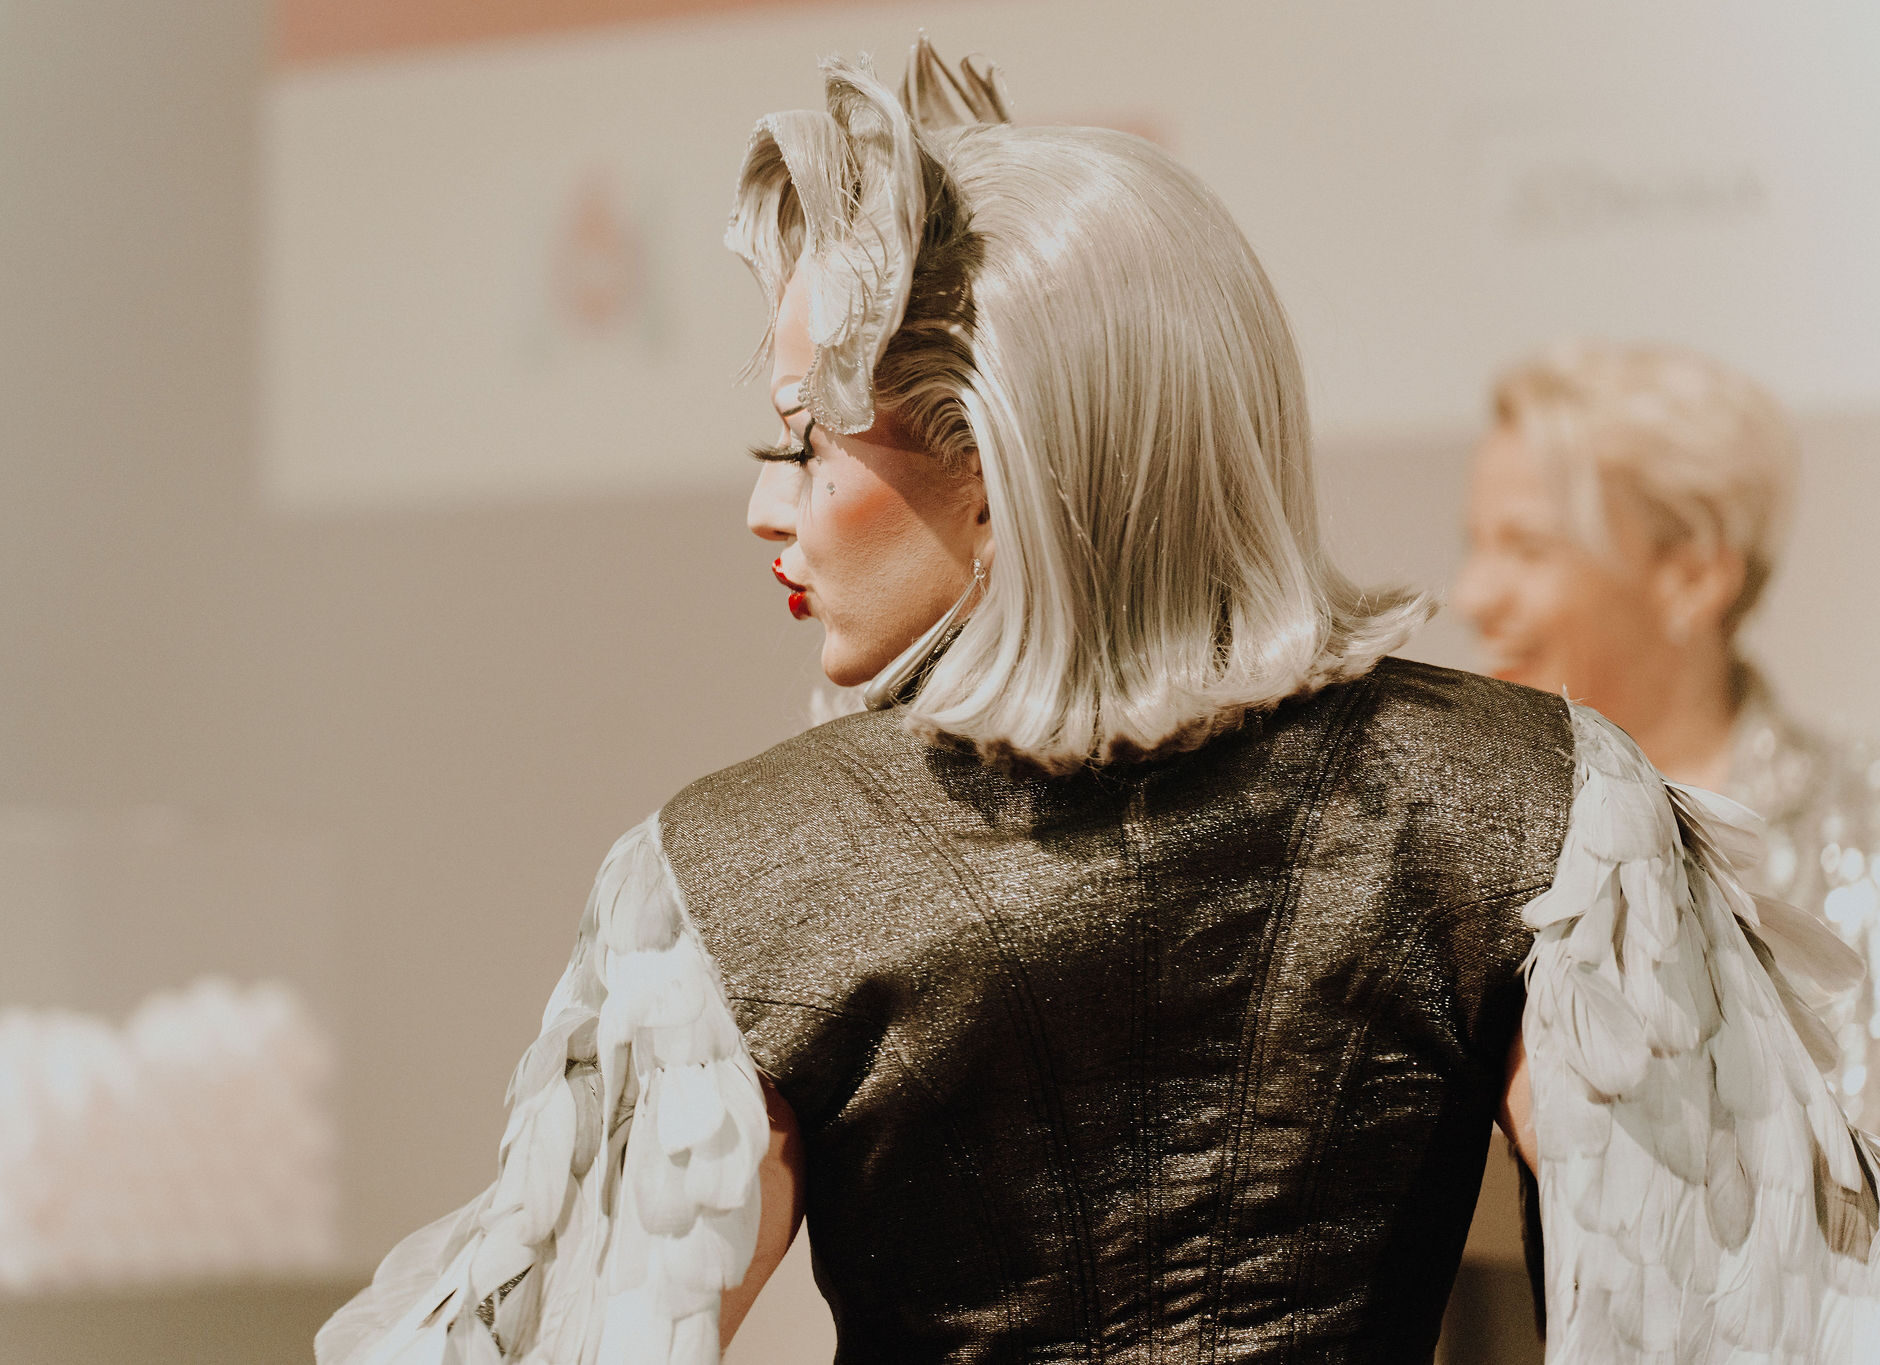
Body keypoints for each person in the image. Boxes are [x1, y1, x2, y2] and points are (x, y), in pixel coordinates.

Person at [318, 43, 1879, 1364]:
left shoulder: (736, 874)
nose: (764, 508)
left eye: (804, 439)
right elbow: (1739, 1324)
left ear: (1002, 462)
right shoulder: (1535, 799)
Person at [1455, 340, 1880, 1132]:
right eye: (1475, 545)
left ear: (1692, 576)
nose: (1472, 595)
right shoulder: (1459, 848)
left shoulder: (1864, 826)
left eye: (1528, 548)